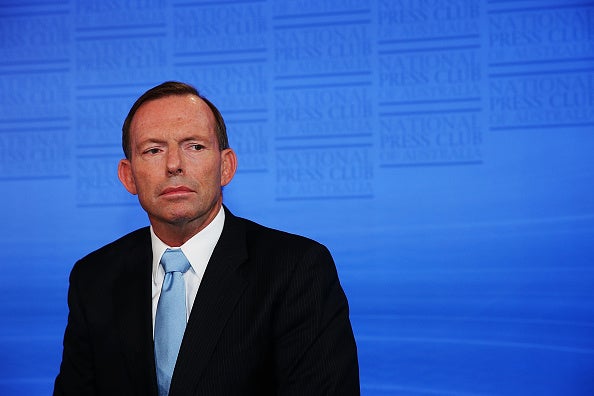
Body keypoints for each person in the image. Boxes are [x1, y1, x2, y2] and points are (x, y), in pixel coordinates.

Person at [54, 81, 360, 395]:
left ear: (226, 166)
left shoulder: (296, 269)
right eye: (153, 150)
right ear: (128, 175)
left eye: (194, 146)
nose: (174, 164)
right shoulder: (94, 279)